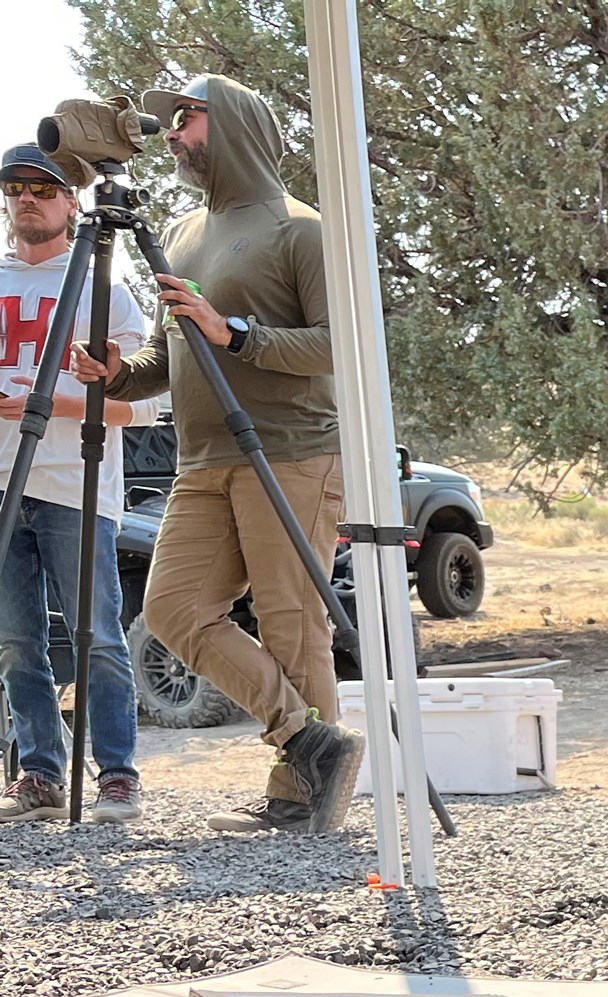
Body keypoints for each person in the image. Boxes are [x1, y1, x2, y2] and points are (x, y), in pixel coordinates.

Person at [73, 74, 361, 834]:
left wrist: (234, 330)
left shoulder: (301, 229)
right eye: (168, 123)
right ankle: (307, 741)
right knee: (171, 609)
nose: (171, 133)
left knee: (293, 627)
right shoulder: (182, 231)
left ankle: (304, 801)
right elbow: (179, 350)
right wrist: (119, 375)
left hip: (292, 453)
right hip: (201, 463)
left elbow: (340, 348)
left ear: (232, 123)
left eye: (187, 118)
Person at [0, 142, 159, 824]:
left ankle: (117, 774)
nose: (27, 197)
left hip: (75, 482)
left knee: (97, 635)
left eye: (43, 186)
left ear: (72, 202)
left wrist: (59, 405)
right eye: (15, 187)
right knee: (15, 643)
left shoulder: (105, 288)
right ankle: (38, 773)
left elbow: (150, 405)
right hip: (1, 482)